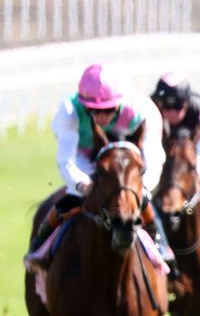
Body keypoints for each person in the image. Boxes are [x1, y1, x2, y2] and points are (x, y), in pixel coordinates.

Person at [28, 63, 169, 263]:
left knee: (138, 195)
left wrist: (141, 187)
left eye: (109, 110)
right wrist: (83, 186)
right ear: (84, 105)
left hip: (128, 155)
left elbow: (154, 158)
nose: (102, 116)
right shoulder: (69, 111)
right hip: (86, 155)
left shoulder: (143, 111)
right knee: (75, 194)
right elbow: (66, 161)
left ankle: (160, 245)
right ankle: (40, 246)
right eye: (94, 110)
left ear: (121, 103)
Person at [151, 72, 200, 193]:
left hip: (195, 153)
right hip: (158, 150)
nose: (172, 112)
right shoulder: (149, 108)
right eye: (167, 106)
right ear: (159, 103)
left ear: (186, 102)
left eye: (178, 106)